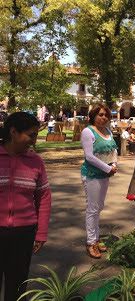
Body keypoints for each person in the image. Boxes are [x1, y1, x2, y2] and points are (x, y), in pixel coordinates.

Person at [0, 112, 51, 300]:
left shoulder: (35, 161)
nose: (34, 140)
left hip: (23, 233)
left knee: (17, 284)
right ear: (13, 132)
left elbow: (44, 196)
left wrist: (41, 231)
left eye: (36, 135)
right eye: (31, 135)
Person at [81, 104, 118, 259]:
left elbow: (114, 150)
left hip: (105, 175)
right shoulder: (88, 132)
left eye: (106, 115)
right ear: (93, 116)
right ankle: (91, 241)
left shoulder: (107, 131)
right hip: (92, 175)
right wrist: (107, 168)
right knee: (93, 208)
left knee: (99, 207)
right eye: (100, 115)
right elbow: (89, 156)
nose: (104, 118)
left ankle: (96, 236)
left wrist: (114, 165)